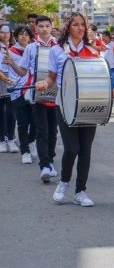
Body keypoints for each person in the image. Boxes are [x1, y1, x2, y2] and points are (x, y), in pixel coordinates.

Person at [35, 12, 114, 206]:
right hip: (65, 105)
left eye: (82, 25)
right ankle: (63, 183)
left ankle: (81, 191)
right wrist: (44, 82)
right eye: (75, 24)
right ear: (67, 27)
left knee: (85, 149)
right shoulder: (57, 50)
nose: (80, 28)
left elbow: (99, 80)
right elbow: (52, 78)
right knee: (72, 148)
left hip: (89, 105)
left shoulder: (92, 51)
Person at [6, 16, 59, 180]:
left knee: (53, 131)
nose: (44, 29)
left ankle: (50, 160)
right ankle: (44, 166)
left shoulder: (58, 46)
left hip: (55, 95)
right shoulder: (31, 48)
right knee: (41, 130)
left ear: (51, 27)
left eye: (47, 26)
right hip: (36, 93)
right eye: (41, 26)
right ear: (36, 28)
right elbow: (22, 72)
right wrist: (12, 63)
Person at [6, 26, 37, 164]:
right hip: (17, 90)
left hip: (33, 89)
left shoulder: (35, 50)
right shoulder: (10, 52)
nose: (23, 37)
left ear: (30, 37)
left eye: (26, 34)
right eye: (21, 34)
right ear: (16, 36)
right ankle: (25, 151)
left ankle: (31, 141)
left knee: (35, 121)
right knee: (23, 122)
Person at [0, 25, 17, 154]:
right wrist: (5, 79)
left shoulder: (14, 49)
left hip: (13, 83)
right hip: (2, 83)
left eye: (7, 32)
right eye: (2, 32)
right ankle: (1, 140)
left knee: (11, 113)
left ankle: (11, 138)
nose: (5, 35)